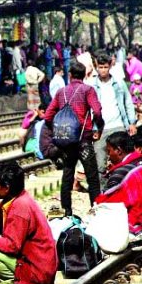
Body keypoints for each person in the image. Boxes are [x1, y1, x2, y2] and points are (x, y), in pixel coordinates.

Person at [44, 62, 104, 217]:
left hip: (67, 142)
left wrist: (58, 131)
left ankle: (67, 211)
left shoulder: (61, 92)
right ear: (84, 75)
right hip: (84, 140)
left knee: (67, 175)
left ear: (70, 75)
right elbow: (97, 111)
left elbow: (48, 116)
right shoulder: (88, 90)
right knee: (92, 178)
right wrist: (99, 127)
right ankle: (95, 210)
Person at [91, 52, 137, 179]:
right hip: (101, 129)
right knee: (100, 163)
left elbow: (128, 102)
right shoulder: (92, 86)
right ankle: (104, 193)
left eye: (105, 67)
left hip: (118, 126)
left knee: (123, 160)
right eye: (100, 67)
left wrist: (131, 123)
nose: (103, 70)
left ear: (110, 66)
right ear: (96, 67)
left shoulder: (119, 83)